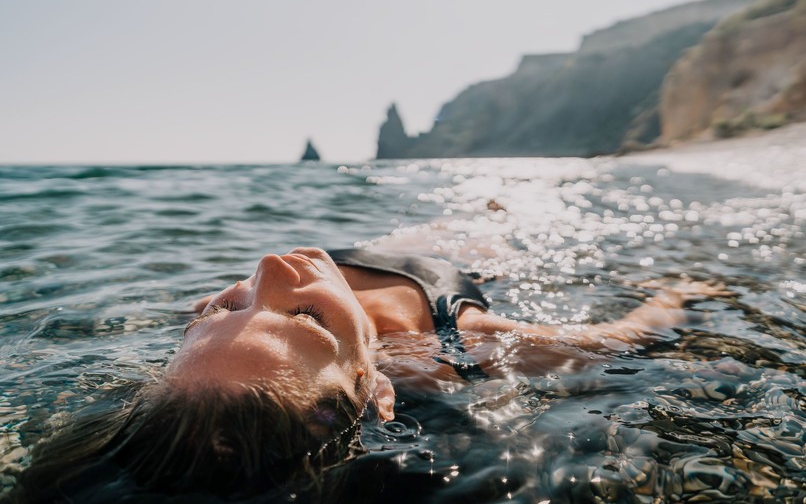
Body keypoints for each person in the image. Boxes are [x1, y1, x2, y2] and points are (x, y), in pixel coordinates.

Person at [16, 246, 732, 502]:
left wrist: (233, 318)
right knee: (495, 233)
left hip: (394, 250)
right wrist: (679, 294)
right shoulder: (452, 346)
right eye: (301, 318)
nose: (264, 270)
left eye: (216, 318)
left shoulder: (223, 361)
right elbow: (620, 340)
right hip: (450, 272)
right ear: (373, 384)